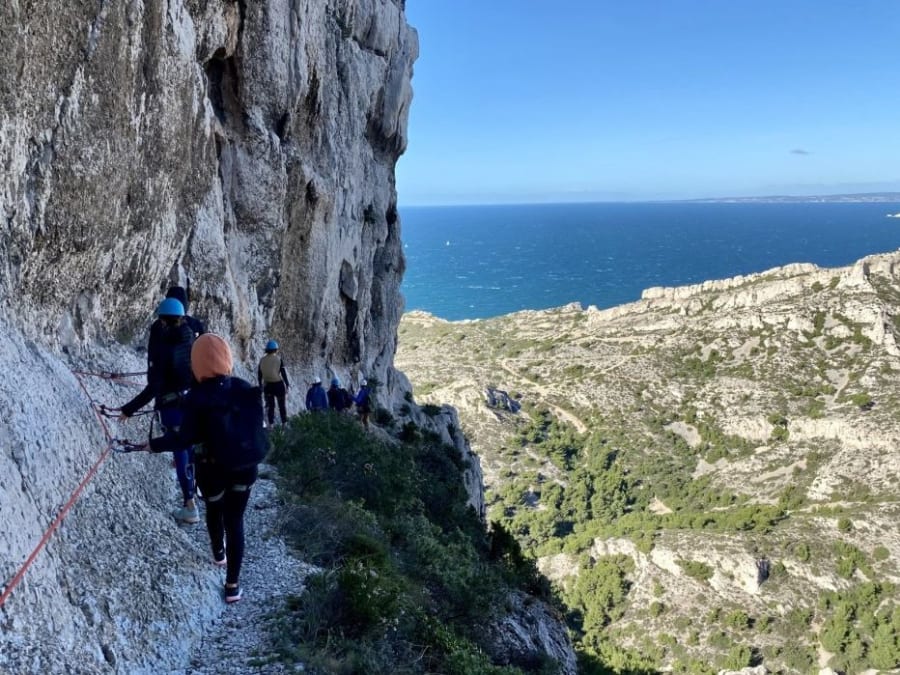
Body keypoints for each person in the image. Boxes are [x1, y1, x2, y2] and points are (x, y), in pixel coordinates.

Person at [150, 333, 268, 604]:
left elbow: (183, 438)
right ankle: (232, 586)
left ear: (197, 363)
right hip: (245, 467)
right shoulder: (245, 388)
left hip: (212, 469)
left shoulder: (195, 398)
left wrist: (151, 445)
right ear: (226, 358)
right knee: (236, 520)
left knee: (215, 509)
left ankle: (218, 554)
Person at [120, 297, 199, 524]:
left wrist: (128, 409)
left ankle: (190, 505)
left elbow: (154, 387)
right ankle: (195, 495)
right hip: (191, 402)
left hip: (171, 405)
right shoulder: (191, 340)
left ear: (163, 322)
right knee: (189, 448)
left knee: (180, 450)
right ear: (182, 318)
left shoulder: (164, 348)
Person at [257, 339, 290, 426]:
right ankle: (284, 423)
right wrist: (287, 384)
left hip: (267, 385)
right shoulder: (278, 359)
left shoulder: (262, 360)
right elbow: (283, 373)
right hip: (278, 385)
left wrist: (260, 384)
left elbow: (259, 374)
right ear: (276, 349)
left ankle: (271, 424)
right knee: (281, 405)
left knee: (271, 406)